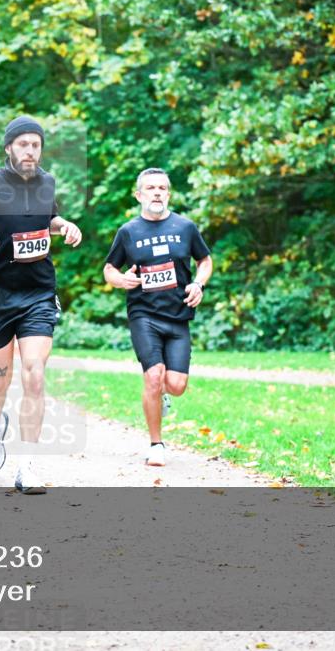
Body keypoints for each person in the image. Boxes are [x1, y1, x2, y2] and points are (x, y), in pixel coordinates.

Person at [0, 115, 82, 494]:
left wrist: (65, 225)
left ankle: (28, 465)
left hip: (38, 292)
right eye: (23, 144)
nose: (30, 151)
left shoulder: (47, 182)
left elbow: (50, 218)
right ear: (9, 147)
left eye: (36, 144)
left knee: (34, 372)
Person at [103, 168, 213, 467]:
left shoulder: (185, 227)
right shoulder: (129, 231)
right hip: (144, 315)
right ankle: (156, 444)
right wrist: (121, 280)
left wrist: (198, 284)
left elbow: (204, 260)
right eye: (150, 188)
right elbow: (109, 269)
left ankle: (161, 394)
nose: (157, 193)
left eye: (162, 188)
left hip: (178, 316)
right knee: (153, 377)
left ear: (169, 194)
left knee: (175, 385)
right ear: (139, 195)